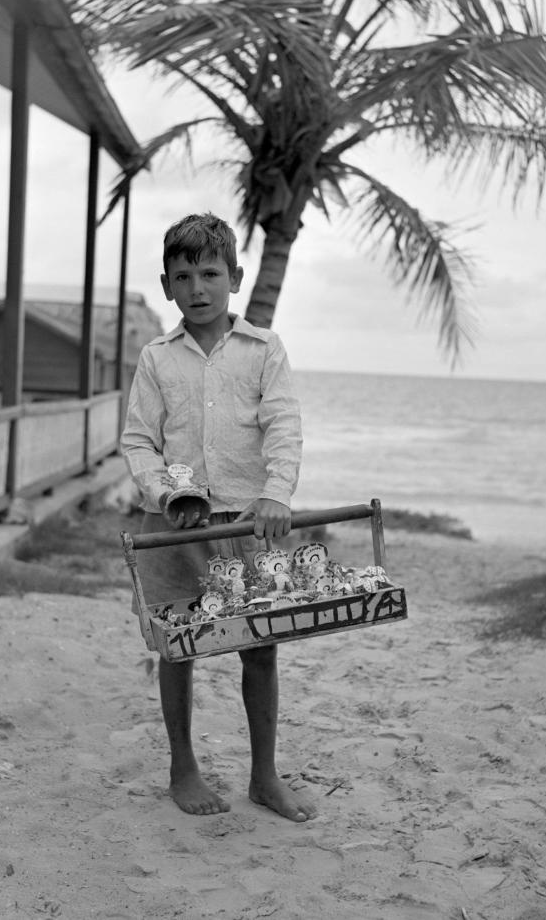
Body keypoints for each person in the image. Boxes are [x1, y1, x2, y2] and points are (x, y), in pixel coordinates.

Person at [120, 212, 316, 822]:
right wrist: (165, 495)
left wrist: (277, 495)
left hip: (249, 530)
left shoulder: (264, 350)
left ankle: (264, 775)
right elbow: (138, 440)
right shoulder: (157, 359)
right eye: (184, 276)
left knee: (261, 647)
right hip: (177, 527)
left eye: (210, 273)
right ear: (167, 285)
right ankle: (184, 767)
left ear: (234, 277)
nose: (198, 288)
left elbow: (283, 426)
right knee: (178, 648)